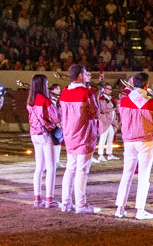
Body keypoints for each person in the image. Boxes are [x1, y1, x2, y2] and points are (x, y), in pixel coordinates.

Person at [114, 72, 153, 219]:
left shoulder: (123, 101)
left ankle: (120, 208)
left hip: (129, 141)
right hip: (145, 141)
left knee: (127, 175)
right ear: (146, 84)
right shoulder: (151, 103)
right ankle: (140, 210)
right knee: (144, 176)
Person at [58, 64, 99, 213]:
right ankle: (81, 204)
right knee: (82, 171)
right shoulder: (86, 92)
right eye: (86, 73)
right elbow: (95, 113)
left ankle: (66, 203)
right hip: (84, 136)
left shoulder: (63, 92)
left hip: (69, 135)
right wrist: (95, 94)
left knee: (70, 169)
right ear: (81, 76)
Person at [26, 74, 60, 207]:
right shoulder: (46, 100)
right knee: (51, 167)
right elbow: (56, 118)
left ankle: (37, 198)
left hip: (35, 134)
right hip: (46, 134)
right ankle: (49, 199)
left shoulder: (30, 100)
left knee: (39, 167)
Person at [93, 83, 119, 162]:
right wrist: (114, 109)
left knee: (110, 138)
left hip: (111, 121)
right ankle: (100, 155)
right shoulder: (102, 98)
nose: (110, 90)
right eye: (108, 89)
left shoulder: (110, 98)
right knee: (103, 138)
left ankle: (109, 154)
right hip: (104, 121)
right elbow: (103, 110)